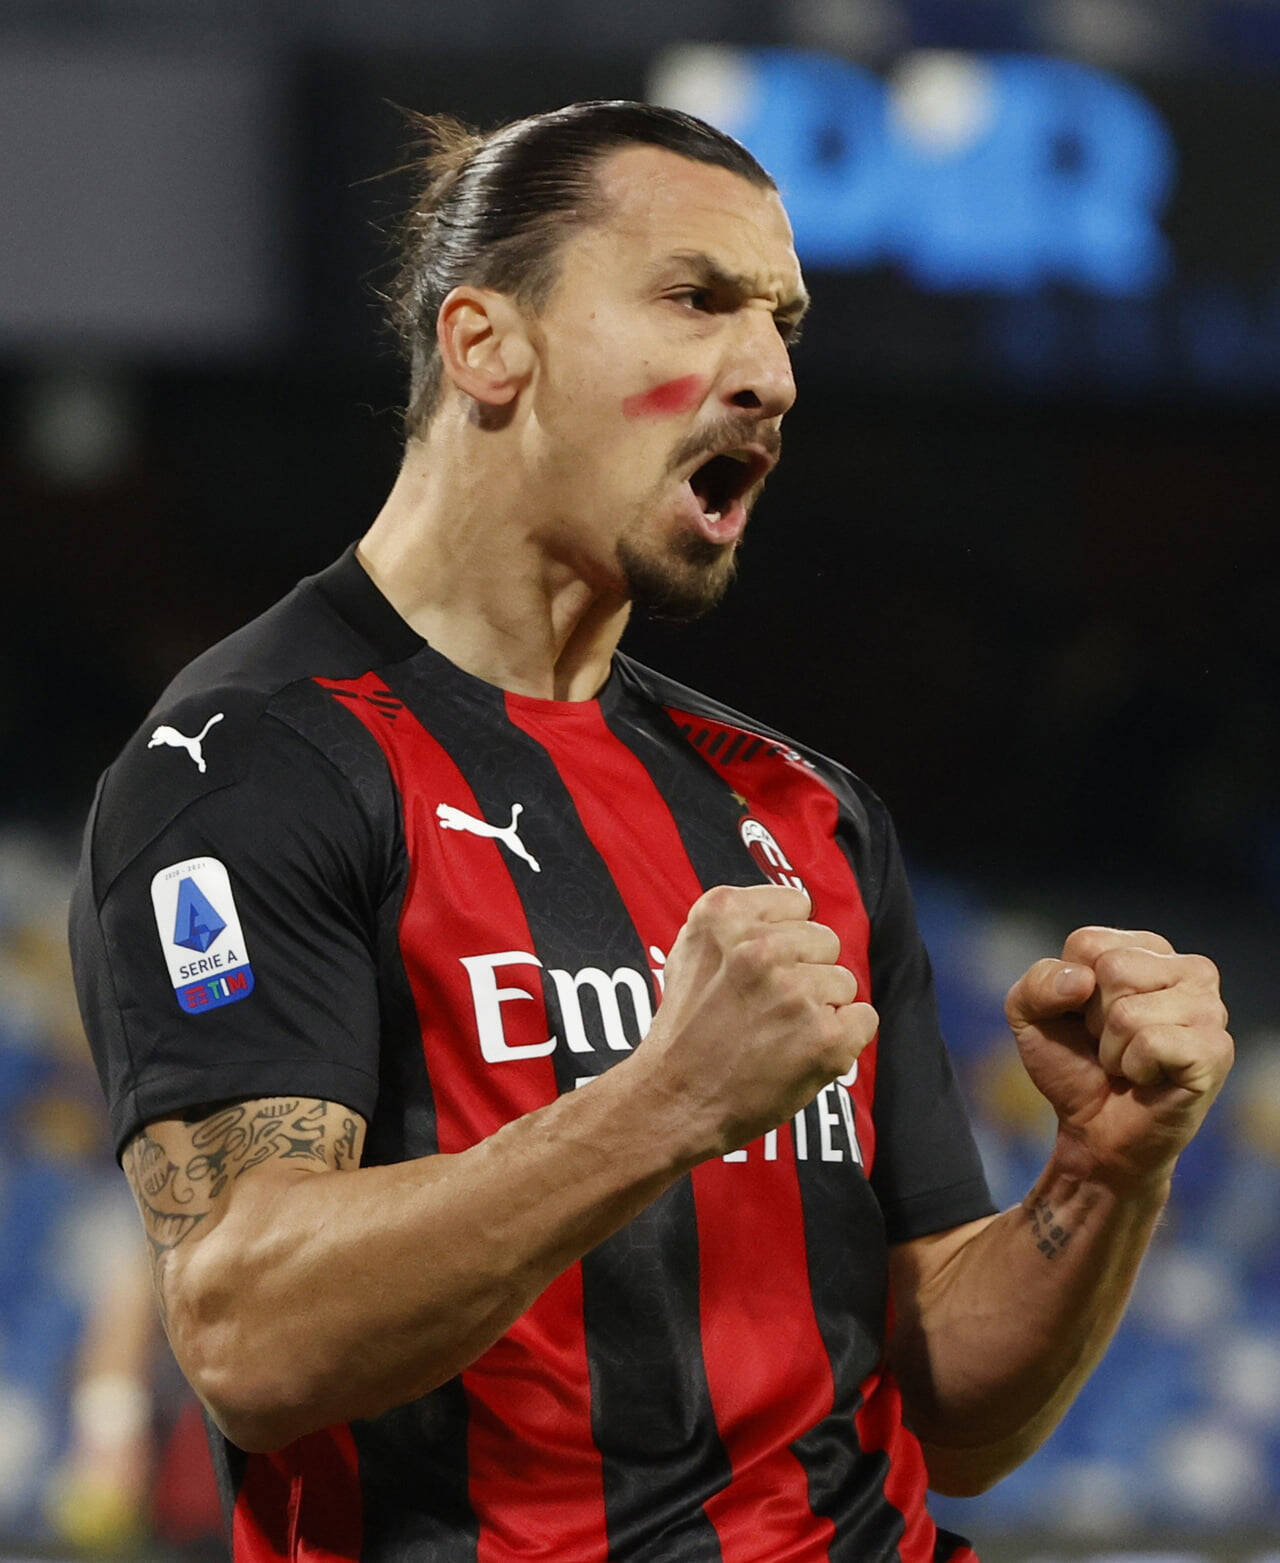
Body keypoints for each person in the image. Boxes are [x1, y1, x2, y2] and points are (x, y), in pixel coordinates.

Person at [69, 101, 1233, 1562]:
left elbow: (958, 1420)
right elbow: (251, 1338)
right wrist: (668, 1100)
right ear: (486, 345)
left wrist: (1105, 1170)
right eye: (696, 298)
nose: (771, 375)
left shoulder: (802, 810)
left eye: (782, 325)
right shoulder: (253, 764)